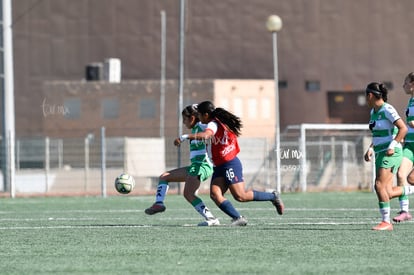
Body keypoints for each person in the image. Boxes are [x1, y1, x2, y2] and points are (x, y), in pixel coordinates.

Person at [175, 100, 284, 226]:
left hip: (229, 164)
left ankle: (273, 196)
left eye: (199, 115)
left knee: (240, 196)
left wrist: (185, 137)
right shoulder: (216, 121)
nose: (198, 118)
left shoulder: (213, 124)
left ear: (206, 115)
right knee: (215, 194)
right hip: (219, 166)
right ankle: (238, 218)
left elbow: (206, 135)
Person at [145, 104, 220, 226]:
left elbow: (208, 131)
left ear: (192, 118)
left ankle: (212, 219)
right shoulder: (195, 129)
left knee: (188, 194)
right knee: (164, 176)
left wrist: (184, 137)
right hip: (195, 166)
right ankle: (159, 204)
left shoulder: (202, 126)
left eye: (185, 119)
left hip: (203, 166)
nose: (184, 123)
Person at [363, 82, 414, 230]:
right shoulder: (373, 112)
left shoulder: (387, 109)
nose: (365, 99)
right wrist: (371, 148)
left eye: (366, 95)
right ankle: (386, 221)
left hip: (391, 152)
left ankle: (386, 222)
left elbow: (403, 129)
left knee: (378, 185)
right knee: (388, 191)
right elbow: (378, 134)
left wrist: (392, 146)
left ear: (370, 95)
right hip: (380, 152)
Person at [394, 72, 414, 222]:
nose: (403, 85)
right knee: (401, 175)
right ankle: (404, 211)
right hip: (410, 145)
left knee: (411, 179)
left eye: (406, 82)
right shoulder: (411, 101)